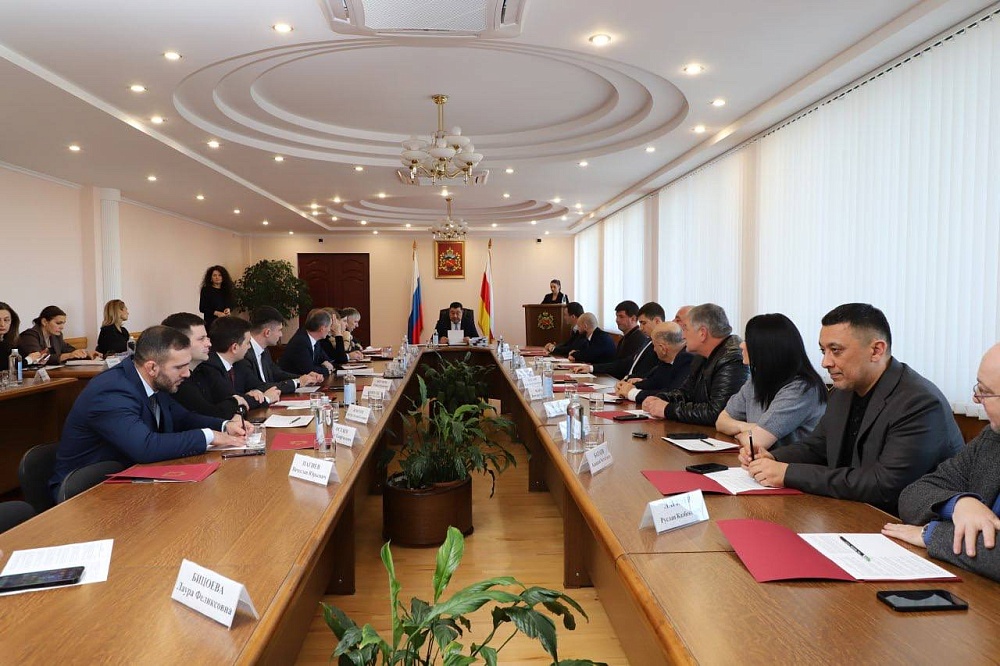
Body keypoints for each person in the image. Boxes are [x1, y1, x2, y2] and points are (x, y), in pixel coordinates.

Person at [742, 303, 963, 515]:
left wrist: (788, 473)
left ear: (876, 350)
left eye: (836, 350)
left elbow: (884, 485)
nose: (825, 362)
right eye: (823, 351)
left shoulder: (919, 402)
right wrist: (773, 458)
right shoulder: (843, 390)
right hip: (849, 509)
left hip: (900, 522)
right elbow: (817, 447)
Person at [49, 325, 249, 498]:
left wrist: (224, 426)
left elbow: (182, 418)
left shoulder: (152, 381)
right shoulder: (111, 391)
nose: (187, 373)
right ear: (152, 367)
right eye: (179, 367)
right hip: (85, 493)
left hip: (128, 481)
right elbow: (144, 447)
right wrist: (210, 436)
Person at [882, 343, 1000, 581]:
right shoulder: (991, 439)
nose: (976, 399)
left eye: (985, 392)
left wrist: (930, 534)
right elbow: (913, 494)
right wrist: (958, 503)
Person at [716, 313, 827, 452]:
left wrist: (747, 433)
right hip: (761, 460)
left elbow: (755, 442)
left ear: (766, 348)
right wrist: (747, 427)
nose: (741, 345)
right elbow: (721, 421)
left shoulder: (802, 388)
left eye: (748, 340)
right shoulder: (756, 381)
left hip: (790, 464)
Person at [640, 303, 747, 425]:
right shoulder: (701, 355)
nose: (683, 335)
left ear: (702, 333)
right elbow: (686, 393)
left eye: (685, 329)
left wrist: (667, 409)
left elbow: (717, 413)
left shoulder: (733, 359)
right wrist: (660, 399)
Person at [162, 312, 246, 419]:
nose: (209, 344)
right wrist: (234, 403)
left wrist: (236, 410)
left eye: (207, 338)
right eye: (201, 339)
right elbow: (209, 414)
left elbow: (234, 401)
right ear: (179, 344)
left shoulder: (203, 371)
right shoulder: (177, 382)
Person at [197, 316, 280, 410]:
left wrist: (256, 392)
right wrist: (266, 398)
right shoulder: (209, 369)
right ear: (235, 347)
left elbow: (258, 386)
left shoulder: (239, 364)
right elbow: (233, 401)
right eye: (247, 343)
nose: (249, 347)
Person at [575, 302, 664, 380]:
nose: (617, 320)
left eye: (643, 323)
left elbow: (643, 372)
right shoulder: (646, 341)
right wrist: (592, 368)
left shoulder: (641, 339)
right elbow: (624, 363)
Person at [244, 306, 323, 393]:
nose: (281, 334)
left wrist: (304, 378)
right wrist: (297, 382)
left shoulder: (264, 350)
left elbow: (276, 373)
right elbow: (257, 387)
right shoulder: (245, 353)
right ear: (267, 332)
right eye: (279, 330)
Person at [619, 321, 695, 402]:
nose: (654, 350)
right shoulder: (667, 360)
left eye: (654, 346)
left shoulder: (688, 360)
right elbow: (653, 382)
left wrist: (632, 393)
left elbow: (672, 394)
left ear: (663, 349)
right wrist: (628, 386)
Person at [18, 306, 100, 364]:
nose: (62, 327)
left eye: (63, 323)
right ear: (44, 322)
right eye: (58, 323)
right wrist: (69, 355)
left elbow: (69, 350)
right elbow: (38, 358)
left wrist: (86, 353)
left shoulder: (56, 336)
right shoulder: (29, 336)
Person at [279, 309, 336, 377]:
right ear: (322, 328)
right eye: (329, 326)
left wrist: (326, 366)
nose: (330, 330)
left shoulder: (315, 340)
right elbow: (309, 371)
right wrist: (326, 369)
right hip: (291, 381)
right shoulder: (301, 342)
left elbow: (327, 360)